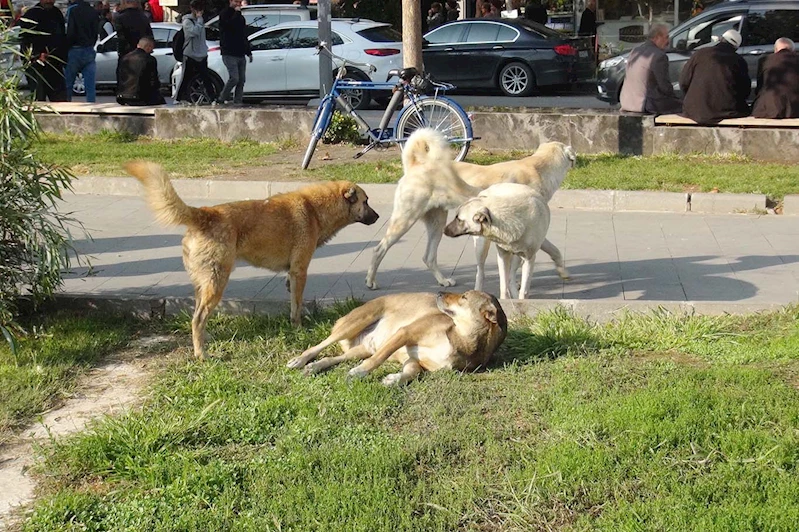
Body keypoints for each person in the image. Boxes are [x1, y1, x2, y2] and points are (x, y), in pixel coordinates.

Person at [679, 29, 751, 124]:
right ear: (736, 47)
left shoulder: (699, 53)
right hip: (726, 111)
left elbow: (683, 81)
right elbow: (745, 91)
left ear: (721, 39)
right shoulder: (739, 60)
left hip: (694, 110)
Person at [620, 23, 682, 115]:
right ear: (657, 37)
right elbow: (665, 86)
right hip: (646, 104)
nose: (668, 41)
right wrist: (677, 97)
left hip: (627, 102)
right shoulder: (659, 56)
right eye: (666, 37)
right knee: (686, 104)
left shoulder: (635, 51)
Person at [19, 0, 67, 101]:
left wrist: (62, 57)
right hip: (37, 67)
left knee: (60, 100)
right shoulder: (31, 15)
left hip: (55, 65)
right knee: (38, 100)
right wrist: (36, 55)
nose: (49, 1)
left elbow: (62, 37)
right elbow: (25, 41)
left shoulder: (57, 14)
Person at [176, 0, 216, 103]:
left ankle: (212, 98)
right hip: (190, 54)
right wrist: (199, 20)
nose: (200, 12)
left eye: (201, 10)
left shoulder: (201, 20)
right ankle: (179, 98)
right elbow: (194, 32)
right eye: (197, 9)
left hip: (201, 53)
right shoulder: (187, 21)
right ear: (192, 9)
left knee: (206, 77)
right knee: (186, 77)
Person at [752, 38, 799, 119]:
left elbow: (760, 87)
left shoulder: (764, 60)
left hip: (769, 109)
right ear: (792, 50)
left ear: (775, 49)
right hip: (796, 109)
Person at [217, 0, 252, 105]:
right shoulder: (224, 14)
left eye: (239, 2)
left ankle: (238, 101)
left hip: (240, 53)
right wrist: (236, 13)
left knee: (241, 80)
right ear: (230, 1)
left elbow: (243, 35)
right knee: (234, 78)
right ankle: (222, 97)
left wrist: (248, 51)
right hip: (229, 52)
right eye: (236, 1)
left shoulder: (240, 18)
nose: (238, 4)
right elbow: (229, 26)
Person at [64, 0, 99, 102]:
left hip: (75, 49)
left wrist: (67, 46)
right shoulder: (92, 11)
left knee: (68, 84)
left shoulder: (72, 10)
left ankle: (66, 107)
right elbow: (95, 32)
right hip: (89, 48)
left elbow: (70, 31)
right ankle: (91, 107)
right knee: (90, 85)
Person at [116, 36, 165, 105]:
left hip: (122, 97)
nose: (152, 51)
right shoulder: (150, 59)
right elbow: (153, 81)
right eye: (152, 49)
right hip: (140, 98)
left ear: (138, 45)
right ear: (149, 47)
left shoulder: (124, 58)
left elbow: (119, 76)